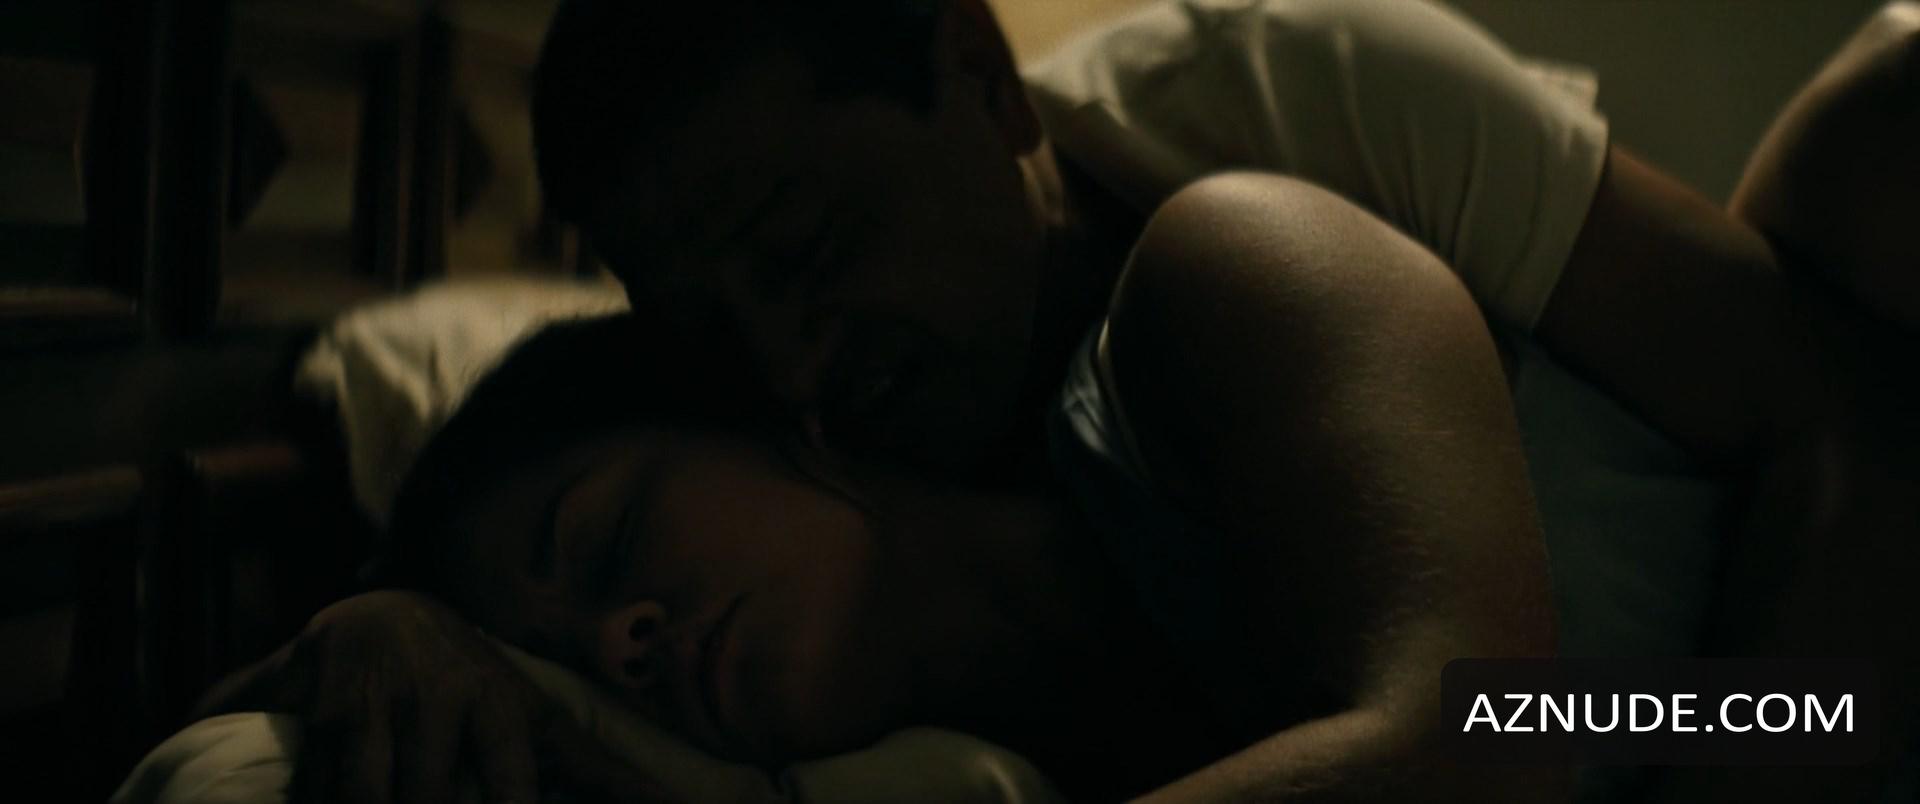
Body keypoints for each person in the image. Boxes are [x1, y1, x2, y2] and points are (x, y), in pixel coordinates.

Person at [205, 1, 1920, 801]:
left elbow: (1484, 737)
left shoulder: (1241, 197)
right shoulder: (948, 657)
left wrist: (1776, 735)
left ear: (977, 76)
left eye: (809, 250)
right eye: (723, 335)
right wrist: (386, 622)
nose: (798, 361)